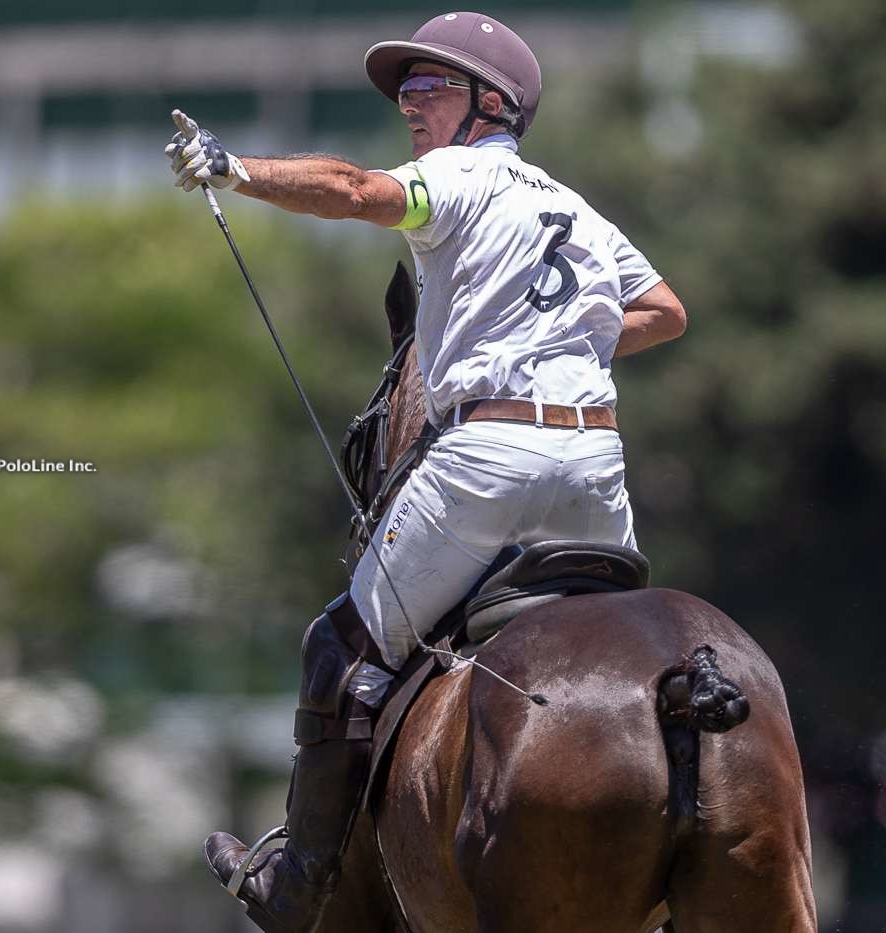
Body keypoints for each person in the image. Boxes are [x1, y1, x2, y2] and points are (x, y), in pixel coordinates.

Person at [166, 11, 687, 932]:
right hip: (596, 469)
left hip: (488, 462)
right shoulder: (581, 209)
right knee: (639, 647)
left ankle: (298, 885)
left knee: (338, 646)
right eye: (403, 91)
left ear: (494, 103)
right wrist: (564, 342)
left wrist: (235, 169)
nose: (409, 104)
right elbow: (666, 308)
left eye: (429, 87)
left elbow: (354, 189)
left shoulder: (457, 175)